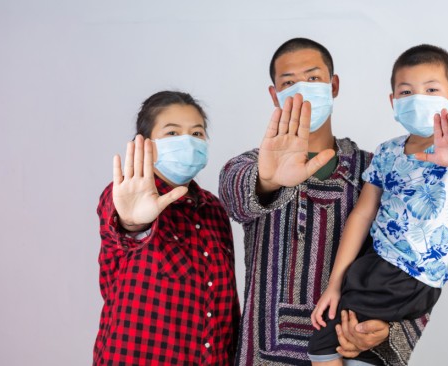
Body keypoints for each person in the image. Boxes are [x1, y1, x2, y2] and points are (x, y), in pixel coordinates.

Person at [219, 37, 428, 366]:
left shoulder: (376, 170)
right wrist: (269, 179)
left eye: (313, 78)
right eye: (288, 82)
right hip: (263, 354)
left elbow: (420, 254)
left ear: (334, 85)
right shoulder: (255, 165)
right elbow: (234, 195)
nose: (302, 88)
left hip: (348, 349)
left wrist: (389, 329)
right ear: (275, 95)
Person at [307, 44, 448, 365]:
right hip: (376, 266)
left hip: (406, 274)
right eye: (406, 91)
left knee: (323, 344)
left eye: (431, 89)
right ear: (393, 101)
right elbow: (362, 215)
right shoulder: (387, 152)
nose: (418, 98)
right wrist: (335, 284)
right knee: (360, 347)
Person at [93, 91, 240, 365]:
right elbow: (124, 231)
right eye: (172, 133)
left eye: (197, 133)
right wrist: (134, 223)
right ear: (145, 144)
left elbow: (225, 303)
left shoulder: (213, 209)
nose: (188, 141)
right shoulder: (122, 196)